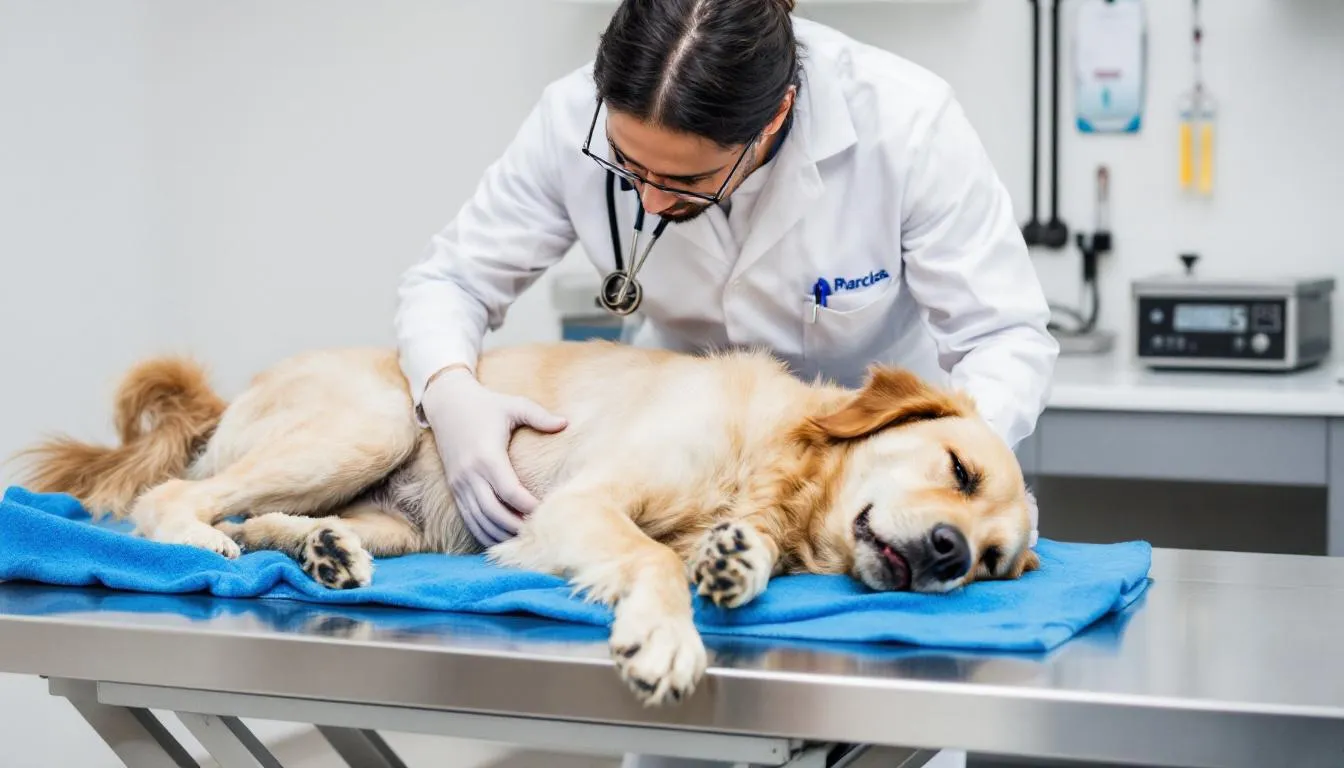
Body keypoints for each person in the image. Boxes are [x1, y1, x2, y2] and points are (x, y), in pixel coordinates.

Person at [396, 1, 1056, 766]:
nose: (646, 200)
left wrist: (962, 474)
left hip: (857, 503)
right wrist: (449, 390)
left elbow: (1003, 335)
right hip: (684, 468)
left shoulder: (905, 124)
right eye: (626, 166)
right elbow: (451, 281)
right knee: (680, 730)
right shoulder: (571, 117)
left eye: (685, 180)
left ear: (774, 118)